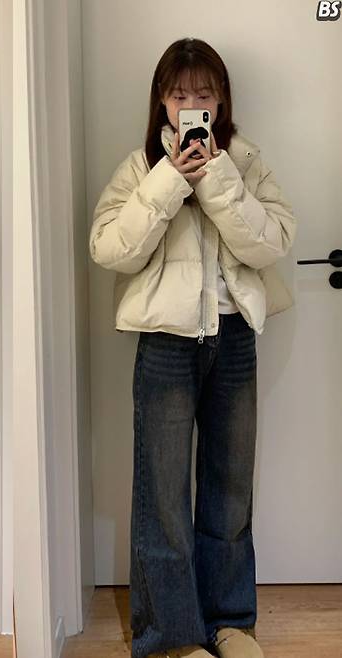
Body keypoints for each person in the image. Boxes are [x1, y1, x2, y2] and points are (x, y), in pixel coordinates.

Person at [89, 38, 296, 658]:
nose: (191, 105)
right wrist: (169, 182)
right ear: (162, 100)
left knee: (230, 489)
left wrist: (217, 179)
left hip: (234, 340)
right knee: (163, 497)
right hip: (166, 345)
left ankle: (230, 623)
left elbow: (272, 243)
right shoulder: (140, 168)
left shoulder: (245, 163)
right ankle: (171, 639)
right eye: (180, 94)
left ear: (221, 99)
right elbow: (109, 249)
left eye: (203, 93)